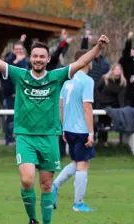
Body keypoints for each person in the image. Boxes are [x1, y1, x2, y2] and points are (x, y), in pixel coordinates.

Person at [0, 30, 109, 224]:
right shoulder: (20, 75)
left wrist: (98, 48)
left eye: (42, 56)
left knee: (45, 185)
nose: (38, 59)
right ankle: (33, 221)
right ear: (30, 58)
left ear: (48, 59)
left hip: (49, 137)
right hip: (25, 136)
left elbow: (80, 63)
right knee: (26, 180)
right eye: (35, 56)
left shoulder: (56, 77)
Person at [53, 50, 96, 213]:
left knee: (77, 162)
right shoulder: (87, 81)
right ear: (86, 61)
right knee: (83, 165)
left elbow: (61, 105)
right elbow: (87, 107)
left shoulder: (67, 81)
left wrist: (63, 126)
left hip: (69, 129)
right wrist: (91, 133)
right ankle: (78, 203)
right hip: (81, 130)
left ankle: (54, 187)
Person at [95, 64, 127, 146]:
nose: (117, 71)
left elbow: (121, 96)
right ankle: (101, 141)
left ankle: (120, 141)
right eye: (115, 69)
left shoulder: (122, 82)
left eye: (118, 69)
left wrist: (122, 107)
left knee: (111, 122)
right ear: (112, 70)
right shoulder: (104, 78)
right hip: (102, 104)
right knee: (102, 122)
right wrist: (99, 100)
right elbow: (97, 89)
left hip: (113, 105)